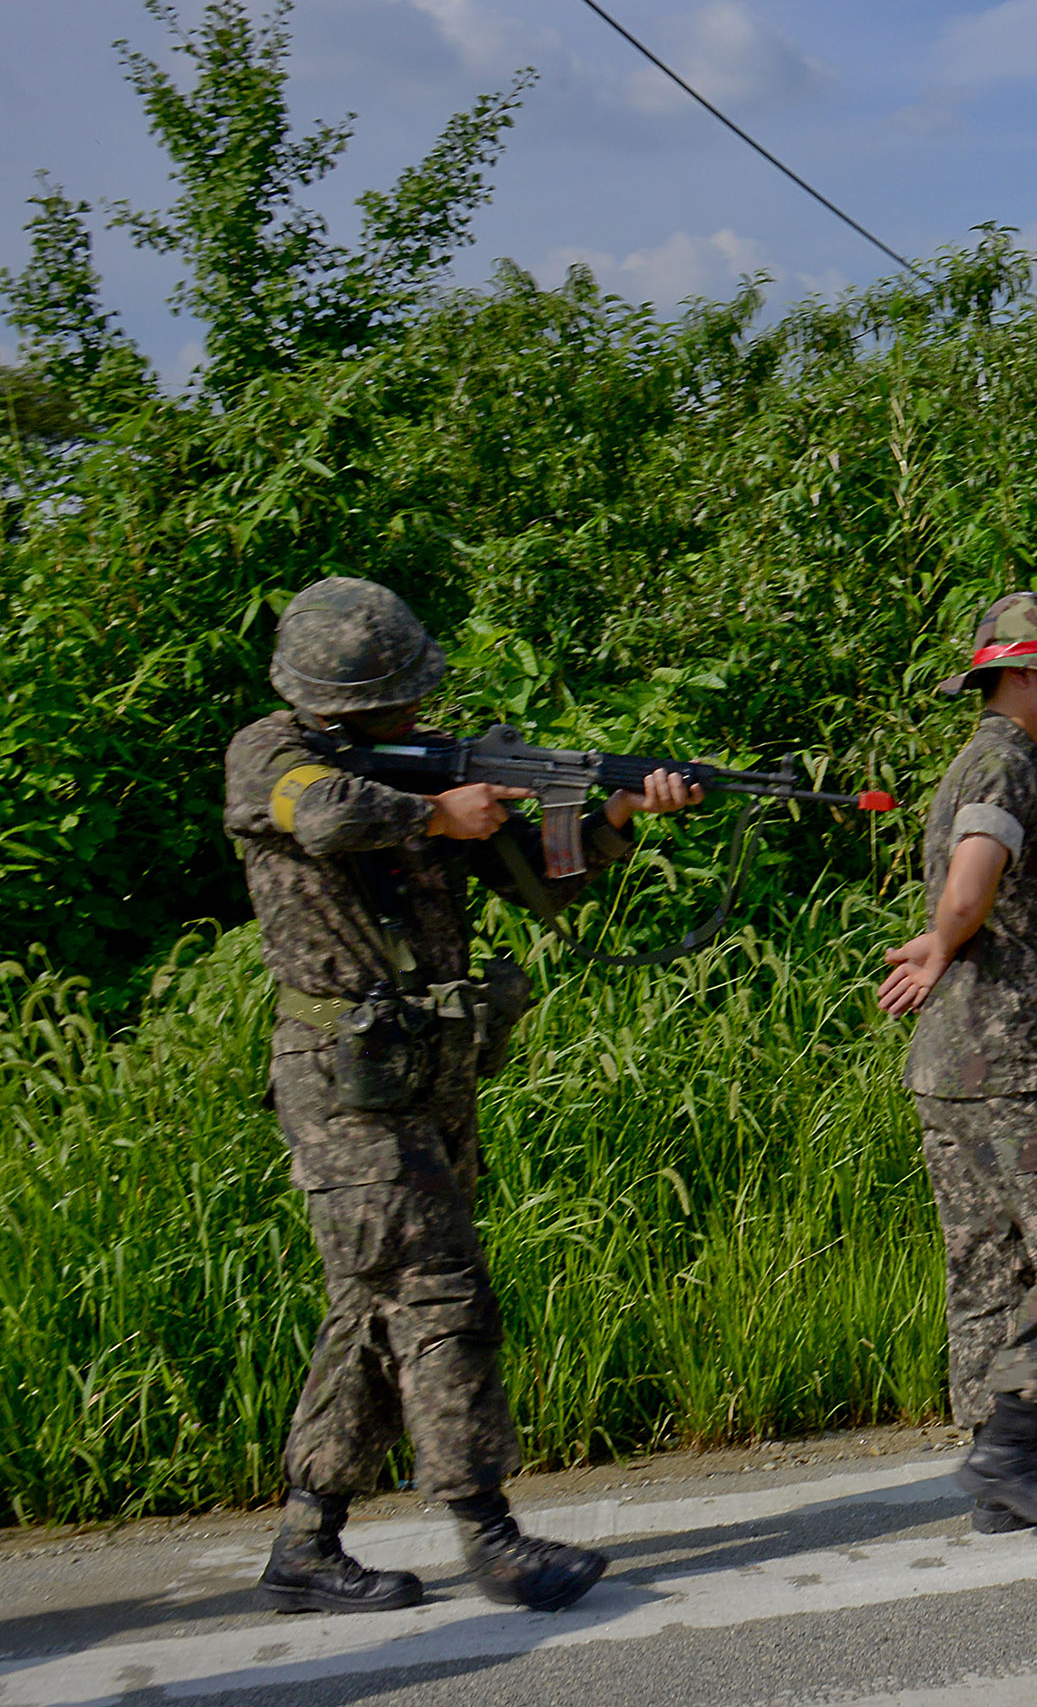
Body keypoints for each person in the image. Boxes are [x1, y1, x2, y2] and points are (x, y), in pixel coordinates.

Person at [229, 577, 703, 1614]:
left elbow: (548, 882)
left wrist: (616, 813)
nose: (412, 716)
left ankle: (307, 1540)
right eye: (394, 705)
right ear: (341, 705)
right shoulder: (274, 755)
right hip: (345, 1086)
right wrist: (434, 812)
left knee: (374, 1305)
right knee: (442, 1294)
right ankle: (489, 1533)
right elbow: (319, 817)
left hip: (430, 1075)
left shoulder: (435, 767)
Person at [878, 594, 1037, 1535]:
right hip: (1009, 1063)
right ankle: (1009, 1446)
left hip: (950, 1062)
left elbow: (970, 878)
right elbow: (976, 866)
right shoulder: (1007, 760)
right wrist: (949, 935)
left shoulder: (974, 758)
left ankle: (999, 1472)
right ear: (1028, 677)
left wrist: (946, 937)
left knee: (988, 1264)